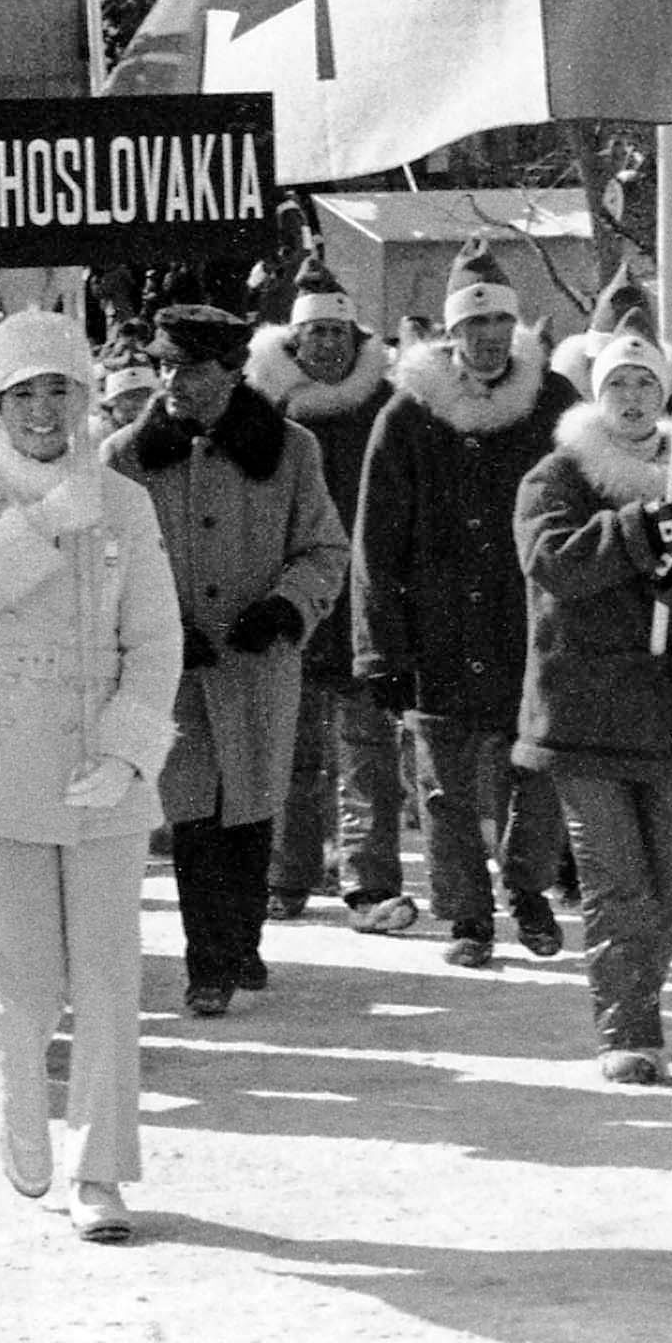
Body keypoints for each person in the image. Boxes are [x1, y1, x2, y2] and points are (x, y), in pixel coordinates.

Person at [0, 309, 182, 1242]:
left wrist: (133, 743)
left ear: (86, 397)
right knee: (28, 971)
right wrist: (48, 520)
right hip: (2, 741)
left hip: (102, 753)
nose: (45, 410)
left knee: (107, 974)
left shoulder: (126, 501)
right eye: (24, 394)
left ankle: (101, 1170)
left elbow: (156, 634)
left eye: (62, 389)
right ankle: (19, 1115)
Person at [514, 316, 672, 1083]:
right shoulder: (557, 475)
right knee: (617, 877)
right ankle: (630, 1029)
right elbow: (552, 563)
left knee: (671, 879)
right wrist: (631, 532)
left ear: (668, 391)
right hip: (587, 709)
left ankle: (637, 1000)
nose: (631, 395)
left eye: (646, 382)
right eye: (617, 382)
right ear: (595, 389)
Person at [105, 295, 347, 1016]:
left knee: (249, 809)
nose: (171, 383)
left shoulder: (292, 450)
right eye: (163, 367)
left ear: (232, 370)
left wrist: (286, 605)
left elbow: (325, 548)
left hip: (257, 662)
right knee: (192, 815)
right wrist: (157, 621)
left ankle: (240, 941)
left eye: (188, 369)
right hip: (171, 666)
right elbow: (105, 558)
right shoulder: (125, 458)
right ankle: (207, 962)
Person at [354, 236, 574, 968]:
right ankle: (466, 917)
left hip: (529, 627)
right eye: (472, 326)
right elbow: (375, 542)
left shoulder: (552, 404)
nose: (486, 340)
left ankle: (530, 892)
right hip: (438, 629)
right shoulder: (407, 416)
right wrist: (379, 646)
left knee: (534, 775)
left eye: (498, 325)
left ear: (516, 330)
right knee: (444, 788)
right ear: (450, 332)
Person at [246, 259, 405, 931]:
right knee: (291, 745)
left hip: (367, 596)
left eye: (341, 333)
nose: (330, 345)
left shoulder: (387, 407)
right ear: (295, 343)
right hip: (297, 595)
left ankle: (370, 879)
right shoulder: (265, 415)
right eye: (317, 335)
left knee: (369, 748)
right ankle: (287, 873)